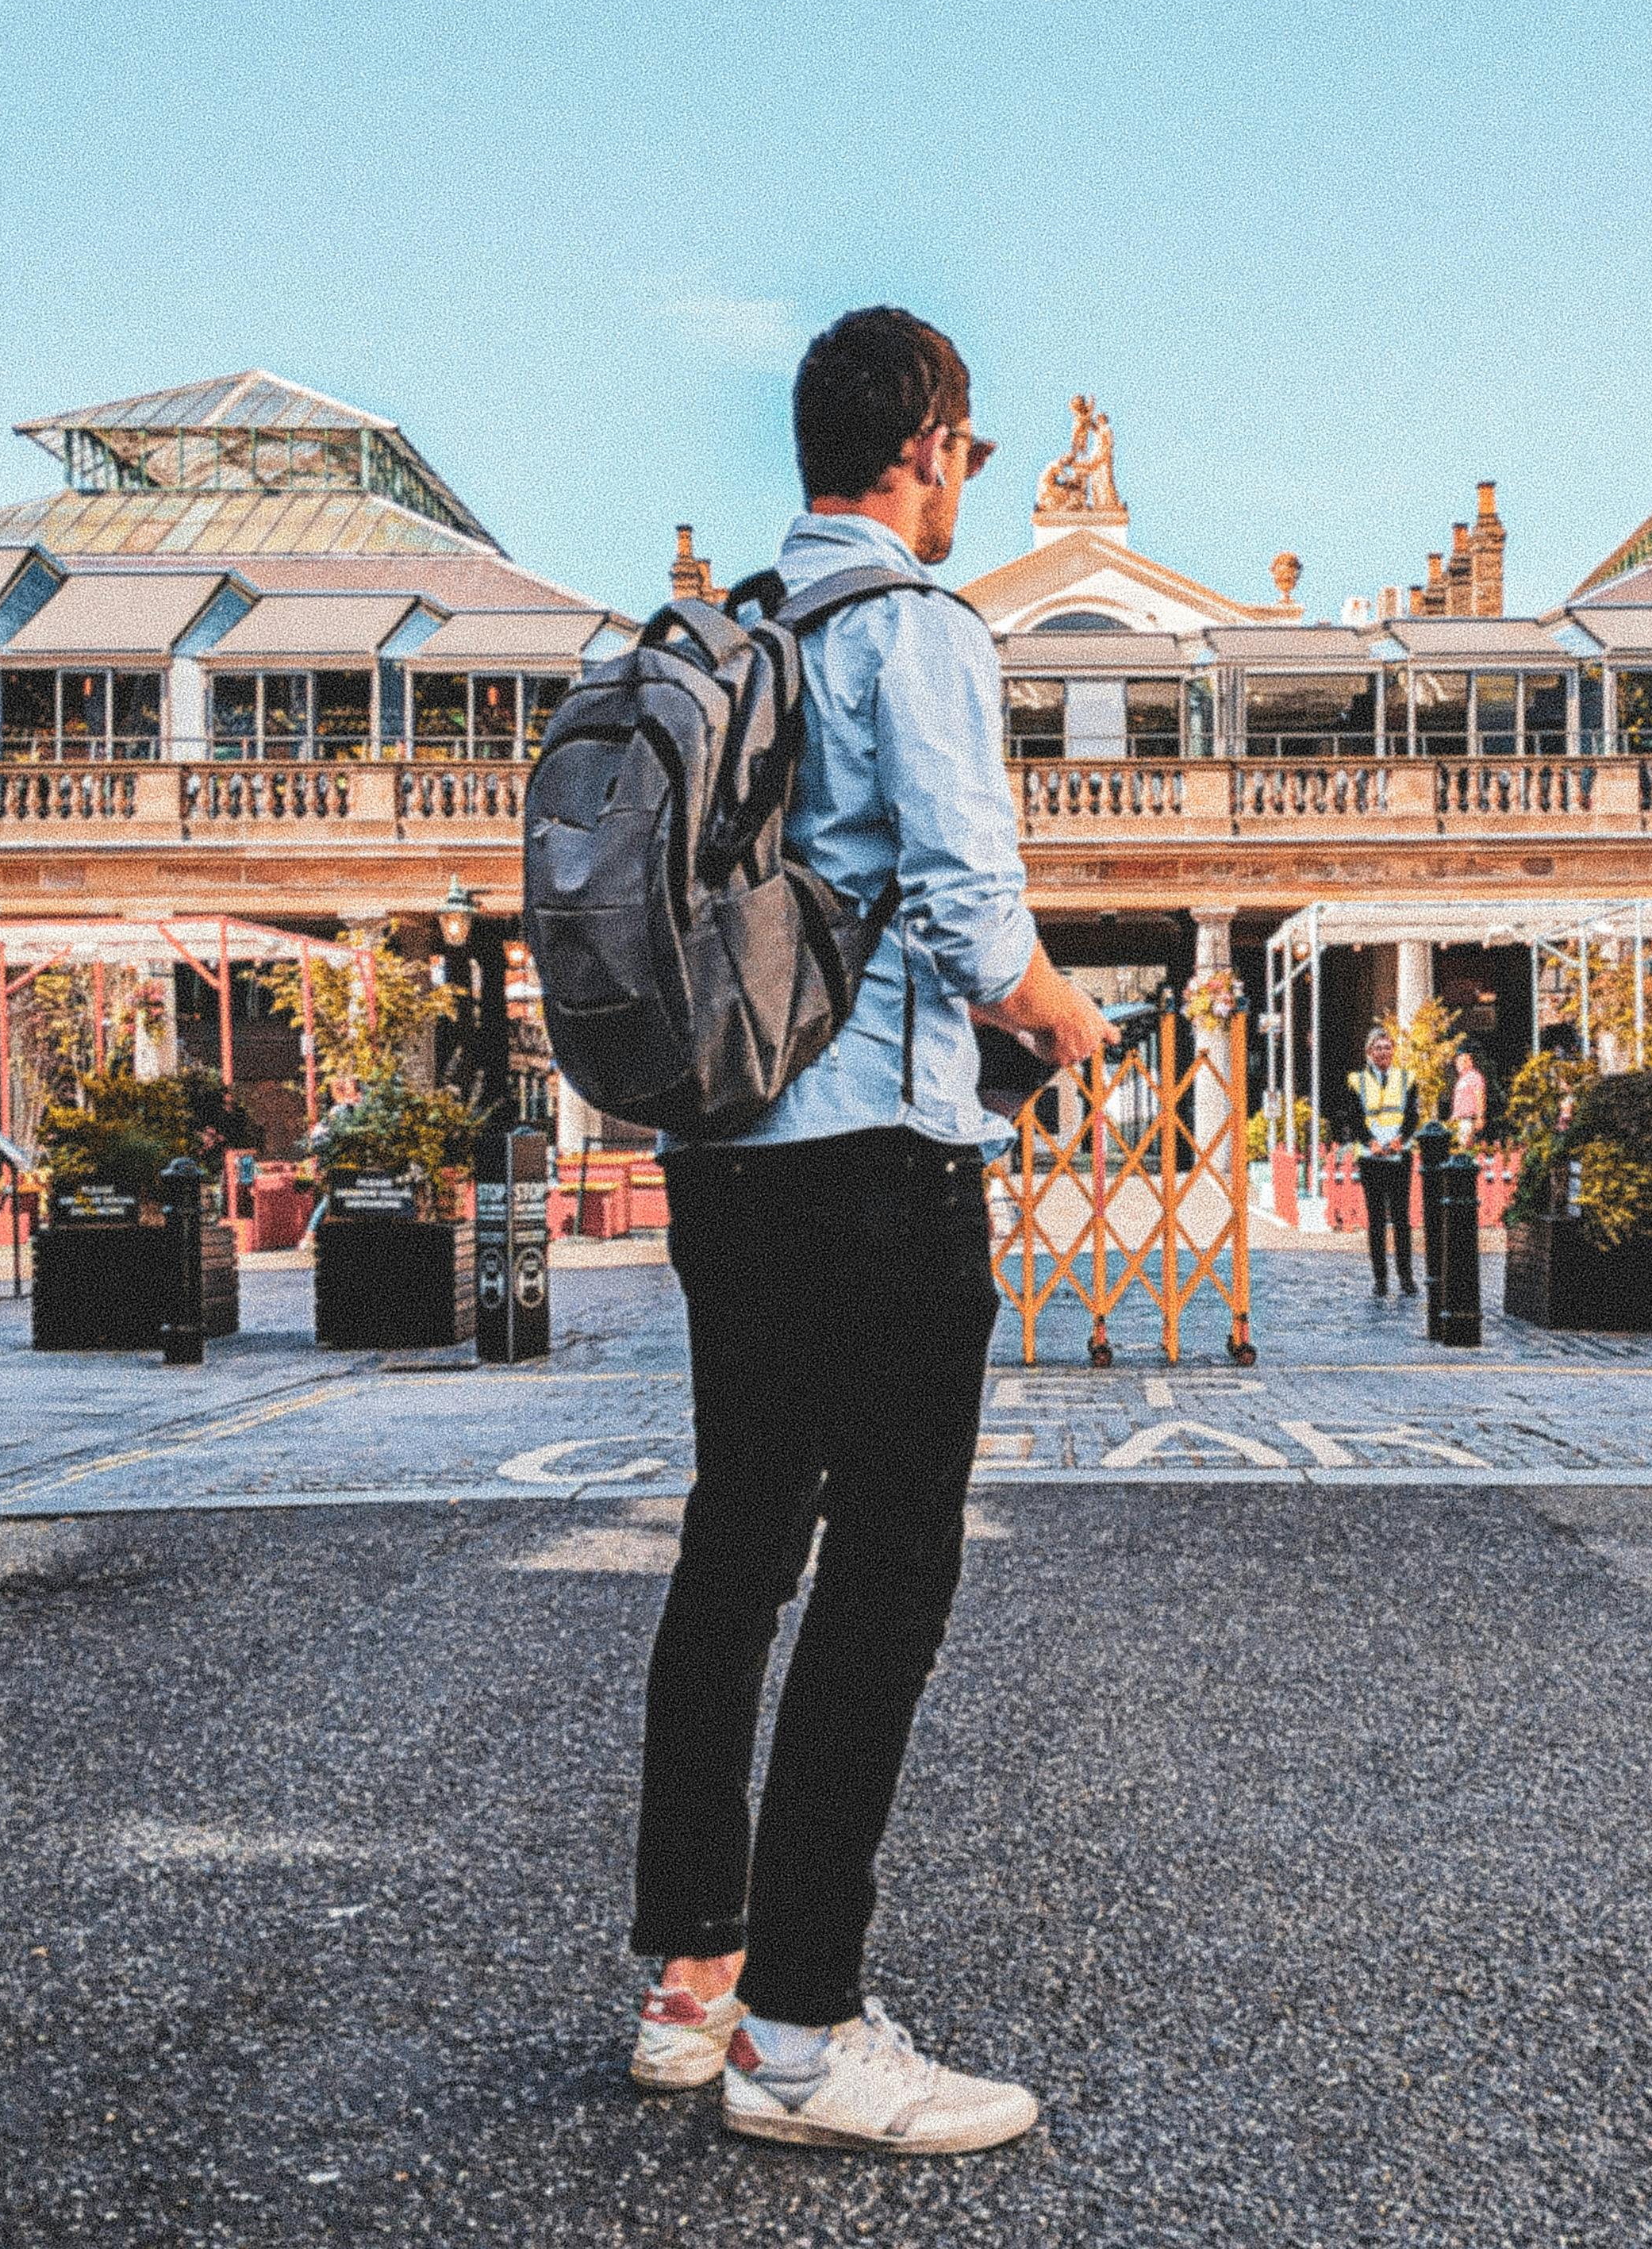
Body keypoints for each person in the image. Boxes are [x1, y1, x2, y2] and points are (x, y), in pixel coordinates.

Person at [625, 307, 1113, 2156]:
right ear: (919, 444)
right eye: (969, 449)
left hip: (721, 1157)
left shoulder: (737, 624)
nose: (968, 481)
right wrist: (1069, 1027)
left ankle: (691, 1986)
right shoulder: (908, 627)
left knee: (739, 1544)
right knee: (891, 1570)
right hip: (870, 1167)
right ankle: (810, 2034)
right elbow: (980, 924)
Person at [1347, 1026, 1418, 1296]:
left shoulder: (1406, 1078)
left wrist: (1402, 1138)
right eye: (1378, 1048)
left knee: (1402, 1220)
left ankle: (1406, 1278)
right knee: (1376, 1221)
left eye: (1387, 1047)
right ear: (1369, 1052)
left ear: (1393, 1051)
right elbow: (1353, 1117)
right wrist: (1370, 1142)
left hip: (1399, 1155)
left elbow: (1412, 1114)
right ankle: (1380, 1280)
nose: (1383, 1052)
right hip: (1372, 1157)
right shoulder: (1357, 1081)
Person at [1449, 1048, 1489, 1147]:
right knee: (1461, 1146)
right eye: (1458, 1062)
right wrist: (1454, 1117)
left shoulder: (1474, 1076)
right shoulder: (1462, 1079)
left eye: (1462, 1061)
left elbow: (1480, 1096)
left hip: (1469, 1119)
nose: (1458, 1064)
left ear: (1470, 1062)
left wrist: (1480, 1117)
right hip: (1460, 1120)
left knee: (1466, 1147)